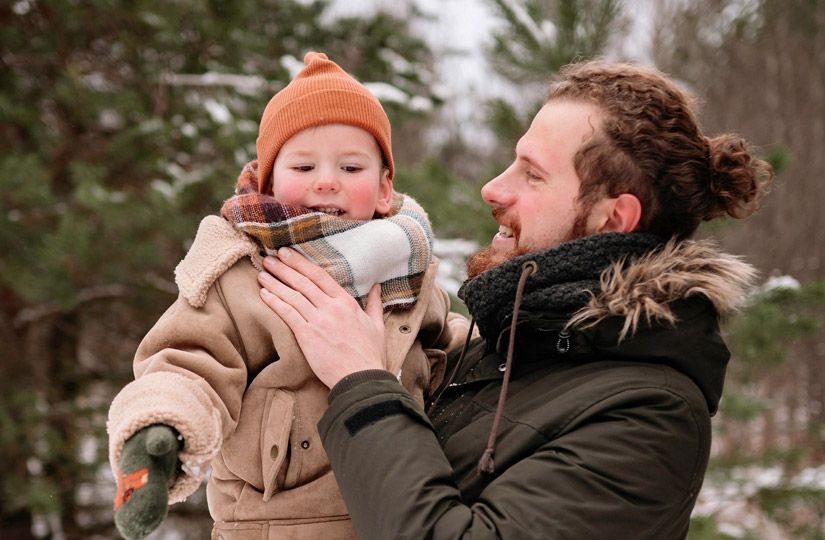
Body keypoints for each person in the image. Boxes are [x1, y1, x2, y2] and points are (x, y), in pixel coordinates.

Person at [257, 60, 774, 539]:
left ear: (612, 219)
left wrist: (359, 381)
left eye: (532, 174)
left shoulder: (649, 417)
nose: (491, 188)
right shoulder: (516, 344)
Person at [106, 52, 466, 540]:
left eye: (351, 166)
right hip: (272, 526)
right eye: (304, 164)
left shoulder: (406, 268)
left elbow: (451, 347)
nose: (326, 179)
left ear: (384, 189)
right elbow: (189, 360)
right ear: (269, 180)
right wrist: (161, 430)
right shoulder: (242, 271)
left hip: (394, 516)